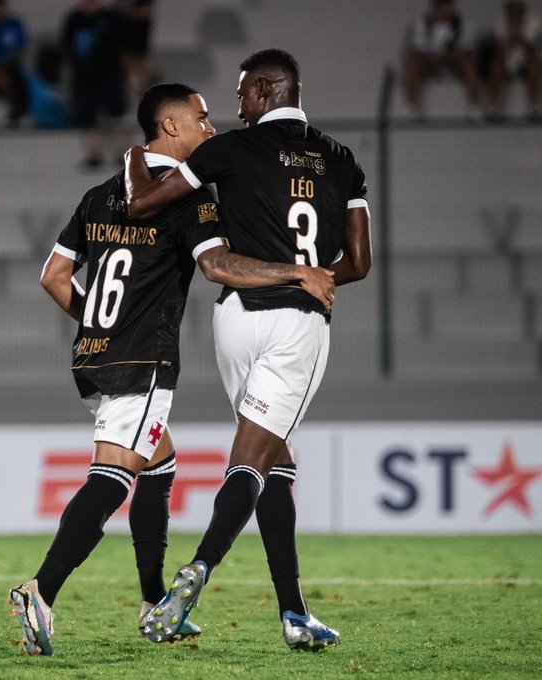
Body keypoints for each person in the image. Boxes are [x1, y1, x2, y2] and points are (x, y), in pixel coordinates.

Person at [8, 81, 336, 656]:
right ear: (172, 128)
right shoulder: (190, 200)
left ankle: (154, 600)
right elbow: (216, 265)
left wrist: (98, 324)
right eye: (202, 119)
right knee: (113, 476)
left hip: (93, 354)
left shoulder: (100, 194)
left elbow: (53, 277)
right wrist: (295, 272)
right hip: (143, 360)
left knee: (159, 467)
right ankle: (41, 589)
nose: (211, 129)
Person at [125, 48, 371, 652]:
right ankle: (200, 569)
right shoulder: (342, 161)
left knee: (275, 466)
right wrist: (312, 274)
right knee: (252, 463)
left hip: (235, 320)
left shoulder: (227, 151)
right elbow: (360, 262)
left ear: (264, 90)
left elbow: (142, 202)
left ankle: (294, 613)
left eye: (239, 93)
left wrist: (136, 156)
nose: (234, 105)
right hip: (296, 326)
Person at [61, 0, 129, 169]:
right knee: (87, 118)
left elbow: (122, 47)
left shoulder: (111, 18)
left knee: (115, 116)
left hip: (109, 75)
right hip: (84, 78)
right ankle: (93, 153)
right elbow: (67, 47)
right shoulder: (74, 19)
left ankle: (122, 153)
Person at [403, 0, 481, 121]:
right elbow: (418, 50)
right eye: (445, 5)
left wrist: (451, 57)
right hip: (431, 62)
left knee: (469, 64)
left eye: (450, 5)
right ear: (436, 7)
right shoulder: (422, 23)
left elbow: (467, 49)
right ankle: (412, 107)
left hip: (453, 62)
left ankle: (473, 107)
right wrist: (435, 58)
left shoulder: (462, 23)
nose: (448, 9)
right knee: (413, 64)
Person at [488, 0, 541, 121]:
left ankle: (533, 107)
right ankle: (495, 108)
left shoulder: (534, 23)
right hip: (506, 60)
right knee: (496, 66)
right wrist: (510, 37)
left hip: (525, 62)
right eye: (513, 13)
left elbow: (535, 51)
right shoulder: (500, 24)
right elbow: (498, 51)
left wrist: (521, 38)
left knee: (534, 65)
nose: (516, 16)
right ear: (508, 14)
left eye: (519, 13)